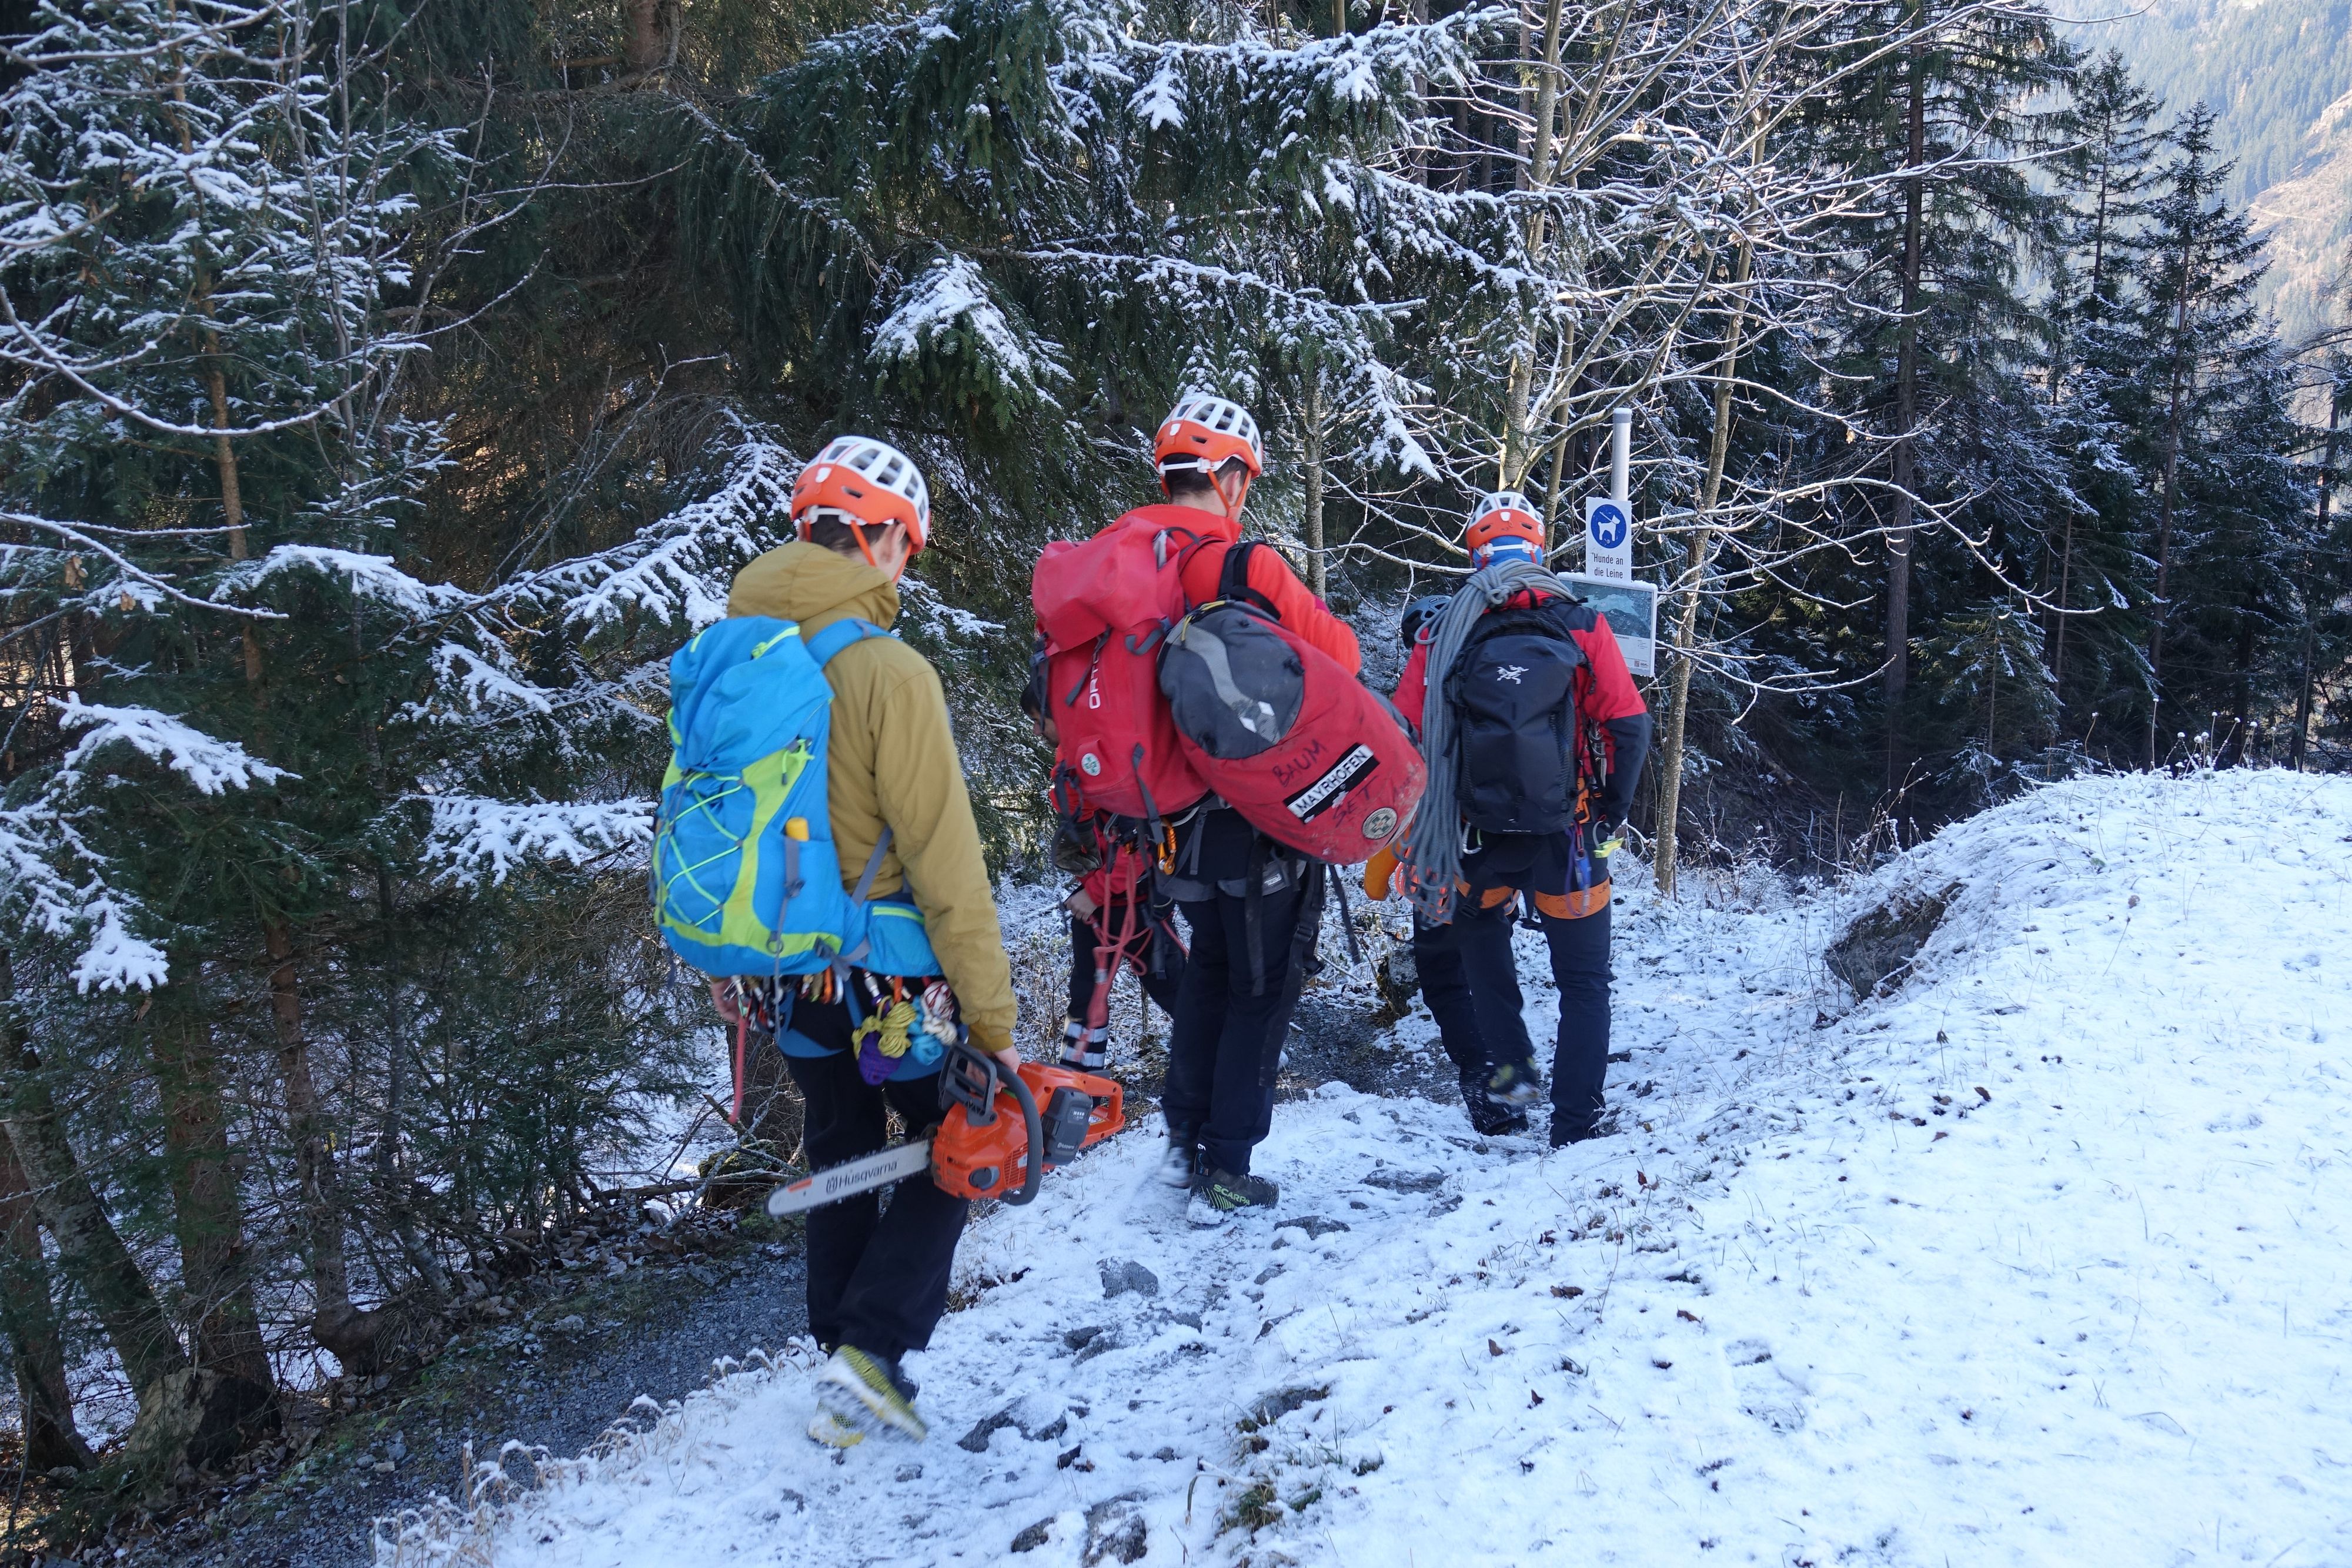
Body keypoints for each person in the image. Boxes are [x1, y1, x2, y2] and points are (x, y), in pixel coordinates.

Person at [712, 436, 1020, 1447]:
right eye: (907, 547)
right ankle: (871, 1353)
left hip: (785, 976)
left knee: (841, 1141)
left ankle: (835, 1343)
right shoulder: (888, 671)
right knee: (959, 1143)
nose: (907, 567)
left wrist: (729, 958)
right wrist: (993, 1015)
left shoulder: (732, 655)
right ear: (878, 536)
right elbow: (944, 856)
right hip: (891, 977)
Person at [1147, 394, 1361, 1217]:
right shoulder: (1245, 565)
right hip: (1257, 816)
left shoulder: (1130, 564)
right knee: (1261, 988)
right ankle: (1227, 1166)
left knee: (1211, 970)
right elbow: (1335, 657)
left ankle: (1182, 1141)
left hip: (1171, 824)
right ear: (1231, 476)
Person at [1391, 493, 1650, 1147]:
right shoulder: (1581, 624)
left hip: (1472, 838)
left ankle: (1510, 1090)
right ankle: (1574, 1123)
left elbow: (1403, 735)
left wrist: (1410, 833)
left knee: (1486, 963)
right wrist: (1610, 814)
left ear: (1475, 554)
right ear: (1538, 551)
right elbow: (1630, 725)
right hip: (1567, 834)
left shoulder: (1442, 631)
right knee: (1584, 983)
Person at [1379, 595, 1523, 1135]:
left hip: (1438, 852)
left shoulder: (1418, 690)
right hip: (1499, 847)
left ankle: (1491, 1093)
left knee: (1442, 975)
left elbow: (1395, 766)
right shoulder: (1501, 679)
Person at [1019, 663, 1187, 1070]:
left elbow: (1139, 845)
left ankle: (1237, 1054)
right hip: (1101, 903)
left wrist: (1093, 894)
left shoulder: (1105, 761)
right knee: (1086, 994)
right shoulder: (1074, 757)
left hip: (1138, 903)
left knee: (1173, 986)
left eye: (1041, 722)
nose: (1038, 732)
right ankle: (1080, 1079)